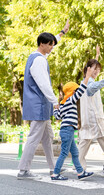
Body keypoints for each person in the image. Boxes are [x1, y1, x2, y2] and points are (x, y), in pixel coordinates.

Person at [17, 20, 70, 180]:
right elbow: (44, 84)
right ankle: (23, 170)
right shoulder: (39, 60)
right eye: (50, 45)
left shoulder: (35, 56)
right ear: (42, 44)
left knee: (48, 139)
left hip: (41, 105)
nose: (52, 48)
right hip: (40, 105)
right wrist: (55, 101)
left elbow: (53, 40)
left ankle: (54, 168)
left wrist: (63, 32)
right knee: (34, 138)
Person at [51, 65, 96, 181]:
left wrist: (55, 108)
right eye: (75, 90)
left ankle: (80, 172)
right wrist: (87, 76)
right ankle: (55, 174)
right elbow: (82, 89)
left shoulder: (63, 103)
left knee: (75, 153)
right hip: (68, 129)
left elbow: (58, 116)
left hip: (66, 129)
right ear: (72, 92)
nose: (77, 92)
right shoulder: (71, 100)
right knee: (64, 153)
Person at [78, 54, 104, 170]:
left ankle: (79, 166)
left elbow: (92, 78)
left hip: (88, 117)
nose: (97, 71)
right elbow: (92, 87)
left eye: (98, 69)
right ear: (88, 69)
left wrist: (97, 56)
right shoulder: (89, 83)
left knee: (85, 141)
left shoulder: (84, 81)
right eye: (95, 69)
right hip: (94, 117)